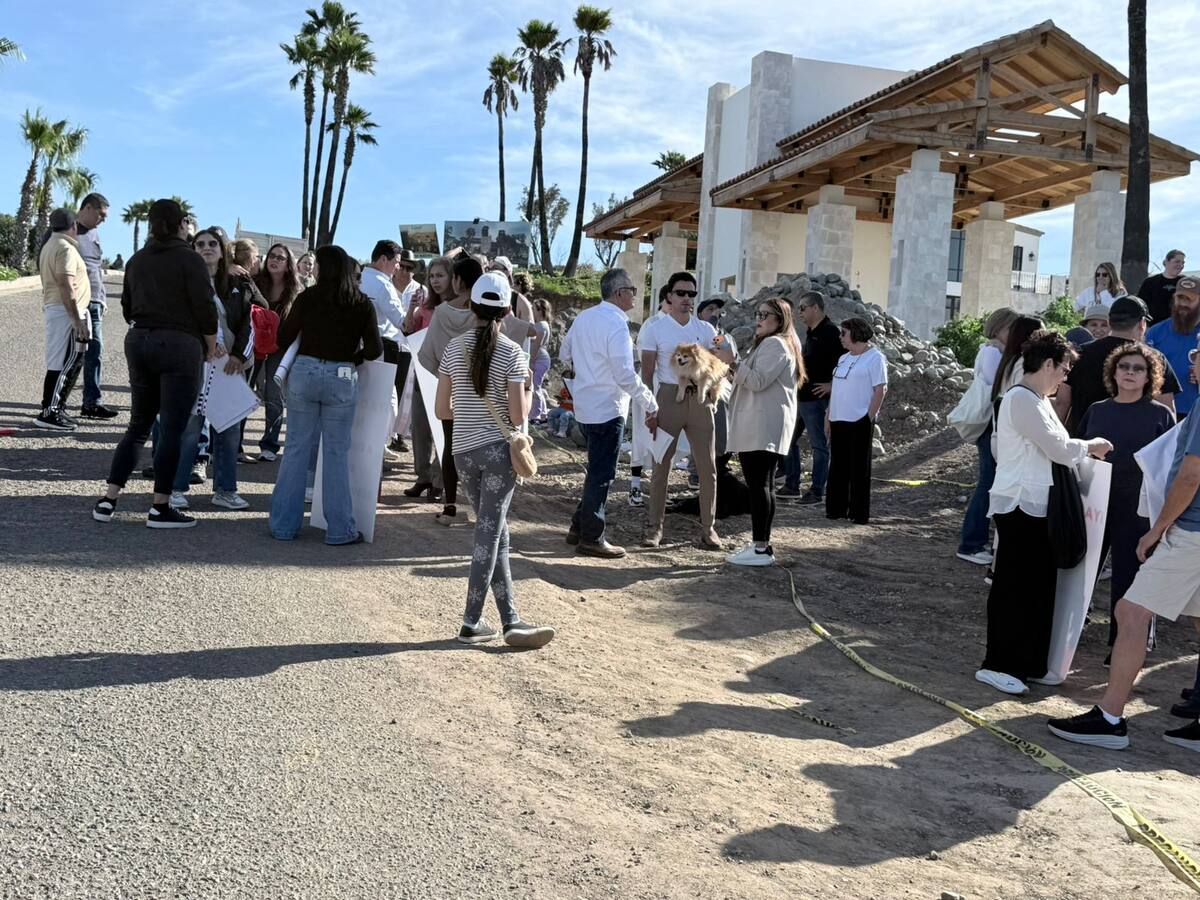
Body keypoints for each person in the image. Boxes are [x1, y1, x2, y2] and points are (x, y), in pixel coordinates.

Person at [1048, 340, 1200, 752]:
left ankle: (1111, 713)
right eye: (1124, 367)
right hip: (1109, 511)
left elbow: (1185, 474)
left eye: (1197, 356)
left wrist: (1158, 526)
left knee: (1130, 608)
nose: (1191, 364)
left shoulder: (1171, 413)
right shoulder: (1098, 410)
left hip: (1169, 523)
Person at [977, 330, 1112, 695]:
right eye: (1064, 368)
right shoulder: (1021, 399)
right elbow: (1058, 448)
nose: (1065, 376)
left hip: (1036, 506)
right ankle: (999, 663)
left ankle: (1027, 662)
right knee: (1013, 587)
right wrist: (1090, 445)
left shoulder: (1035, 400)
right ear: (1048, 363)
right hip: (1020, 504)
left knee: (1035, 587)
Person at [435, 271, 554, 648]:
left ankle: (510, 621)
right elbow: (519, 415)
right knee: (488, 535)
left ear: (472, 305)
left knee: (495, 532)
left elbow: (442, 409)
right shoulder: (512, 352)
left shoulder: (454, 348)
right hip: (497, 452)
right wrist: (529, 392)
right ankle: (471, 621)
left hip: (462, 452)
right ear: (506, 310)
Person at [91, 199, 220, 528]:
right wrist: (208, 346)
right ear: (182, 225)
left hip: (140, 339)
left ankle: (108, 499)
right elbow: (205, 309)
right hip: (180, 344)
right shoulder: (189, 259)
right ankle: (160, 506)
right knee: (173, 430)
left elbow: (127, 306)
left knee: (138, 425)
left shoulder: (137, 260)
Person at [268, 245, 382, 544]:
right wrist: (350, 358)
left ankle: (283, 526)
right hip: (342, 376)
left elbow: (283, 337)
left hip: (304, 372)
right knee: (335, 454)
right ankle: (339, 529)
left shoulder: (308, 297)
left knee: (295, 449)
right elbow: (374, 350)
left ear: (324, 268)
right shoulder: (361, 302)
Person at [1080, 343, 1175, 657]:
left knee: (1130, 577)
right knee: (1081, 572)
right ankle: (1066, 637)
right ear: (1113, 372)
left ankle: (1124, 645)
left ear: (1150, 376)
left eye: (1138, 368)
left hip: (1137, 509)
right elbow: (1078, 454)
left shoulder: (1160, 414)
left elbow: (1170, 466)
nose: (1130, 373)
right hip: (1095, 504)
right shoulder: (1097, 409)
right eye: (1124, 367)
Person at [559, 267, 659, 557]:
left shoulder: (584, 318)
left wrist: (583, 376)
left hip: (586, 405)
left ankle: (579, 526)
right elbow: (625, 374)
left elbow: (565, 355)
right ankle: (591, 536)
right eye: (632, 290)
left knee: (596, 470)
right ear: (619, 293)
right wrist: (650, 401)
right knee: (602, 474)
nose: (634, 295)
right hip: (608, 407)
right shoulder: (615, 324)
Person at [171, 226, 264, 511]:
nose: (207, 248)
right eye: (200, 244)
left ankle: (225, 490)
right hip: (195, 363)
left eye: (213, 243)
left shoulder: (239, 283)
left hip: (229, 367)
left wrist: (238, 355)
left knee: (229, 429)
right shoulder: (183, 282)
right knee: (190, 429)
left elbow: (253, 320)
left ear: (223, 250)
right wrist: (204, 345)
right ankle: (175, 488)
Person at [639, 272, 729, 550]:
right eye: (681, 293)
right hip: (668, 395)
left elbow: (722, 362)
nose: (687, 299)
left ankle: (709, 528)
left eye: (691, 294)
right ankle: (655, 528)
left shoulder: (705, 329)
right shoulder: (654, 328)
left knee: (707, 466)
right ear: (669, 295)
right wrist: (649, 407)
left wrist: (723, 347)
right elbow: (647, 372)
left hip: (701, 398)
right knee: (661, 465)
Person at [724, 297, 805, 566]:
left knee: (759, 487)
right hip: (763, 424)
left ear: (779, 320)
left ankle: (760, 548)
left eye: (765, 314)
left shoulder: (775, 344)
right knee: (764, 486)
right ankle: (761, 545)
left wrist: (733, 362)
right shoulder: (776, 344)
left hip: (761, 425)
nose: (758, 318)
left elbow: (757, 381)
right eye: (757, 313)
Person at [417, 256, 484, 525]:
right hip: (480, 391)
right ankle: (481, 507)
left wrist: (444, 377)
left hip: (451, 390)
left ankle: (450, 506)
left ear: (456, 280)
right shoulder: (483, 312)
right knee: (480, 448)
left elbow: (427, 355)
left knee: (449, 448)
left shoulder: (443, 312)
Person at [1056, 296, 1178, 435]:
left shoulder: (1079, 354)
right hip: (1138, 448)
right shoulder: (1154, 358)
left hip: (1086, 445)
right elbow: (1168, 408)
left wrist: (1058, 443)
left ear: (1109, 322)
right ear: (1142, 324)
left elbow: (1062, 402)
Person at [956, 306, 1020, 565]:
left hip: (990, 423)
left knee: (988, 484)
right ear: (1000, 328)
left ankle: (974, 541)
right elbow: (999, 386)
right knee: (988, 484)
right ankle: (971, 543)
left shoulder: (991, 350)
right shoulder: (993, 352)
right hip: (990, 424)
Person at [825, 317, 888, 524]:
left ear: (856, 333)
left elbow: (880, 389)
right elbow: (836, 390)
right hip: (838, 418)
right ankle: (836, 509)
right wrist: (828, 416)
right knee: (838, 466)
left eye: (844, 333)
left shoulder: (875, 357)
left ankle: (858, 513)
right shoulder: (843, 358)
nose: (840, 337)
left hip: (859, 420)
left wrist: (868, 417)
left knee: (858, 469)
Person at [34, 208, 92, 432]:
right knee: (64, 362)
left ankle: (54, 408)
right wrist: (77, 320)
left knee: (65, 361)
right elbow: (65, 284)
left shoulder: (51, 245)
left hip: (60, 310)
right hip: (66, 312)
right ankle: (49, 412)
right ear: (74, 226)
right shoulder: (64, 248)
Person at [782, 291, 843, 503]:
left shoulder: (831, 332)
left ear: (815, 308)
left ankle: (818, 491)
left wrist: (832, 386)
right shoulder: (811, 332)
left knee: (819, 445)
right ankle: (792, 485)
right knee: (788, 440)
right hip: (801, 397)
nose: (799, 312)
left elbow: (843, 364)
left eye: (803, 308)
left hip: (816, 400)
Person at [403, 255, 452, 500]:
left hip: (448, 379)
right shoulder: (425, 308)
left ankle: (439, 480)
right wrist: (411, 310)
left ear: (452, 277)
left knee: (442, 432)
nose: (435, 280)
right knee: (420, 430)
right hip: (422, 375)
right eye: (432, 276)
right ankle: (422, 477)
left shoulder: (458, 310)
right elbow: (408, 332)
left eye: (440, 275)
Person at [250, 243, 302, 462]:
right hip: (254, 347)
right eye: (272, 256)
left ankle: (269, 445)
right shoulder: (255, 284)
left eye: (280, 258)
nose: (274, 260)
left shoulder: (296, 291)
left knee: (273, 395)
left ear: (288, 264)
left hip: (280, 349)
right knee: (245, 391)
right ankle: (233, 444)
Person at [360, 240, 409, 462]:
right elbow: (402, 321)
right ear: (383, 260)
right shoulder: (383, 284)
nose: (398, 267)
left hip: (358, 347)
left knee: (368, 400)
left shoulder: (358, 277)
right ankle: (376, 444)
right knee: (387, 402)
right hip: (381, 348)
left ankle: (376, 443)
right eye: (397, 262)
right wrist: (416, 310)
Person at [74, 193, 117, 419]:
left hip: (95, 302)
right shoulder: (67, 230)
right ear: (88, 208)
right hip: (75, 302)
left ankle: (91, 403)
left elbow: (96, 268)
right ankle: (53, 405)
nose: (103, 219)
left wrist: (102, 298)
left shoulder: (94, 234)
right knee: (70, 355)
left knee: (95, 352)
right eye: (101, 214)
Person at [1146, 276, 1200, 419]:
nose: (1182, 303)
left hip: (1195, 413)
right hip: (1160, 412)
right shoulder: (1155, 333)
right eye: (1179, 298)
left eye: (1189, 299)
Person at [1137, 249, 1186, 325]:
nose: (1181, 265)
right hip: (1153, 327)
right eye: (1177, 261)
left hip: (1179, 326)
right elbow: (1140, 305)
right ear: (1166, 262)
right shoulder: (1150, 282)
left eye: (1183, 263)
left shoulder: (1185, 283)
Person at [530, 298, 553, 423]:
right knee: (537, 386)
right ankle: (543, 413)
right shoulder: (543, 325)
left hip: (539, 359)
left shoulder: (540, 326)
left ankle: (536, 416)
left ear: (540, 310)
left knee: (535, 387)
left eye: (534, 309)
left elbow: (536, 346)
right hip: (542, 358)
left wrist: (531, 362)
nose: (532, 311)